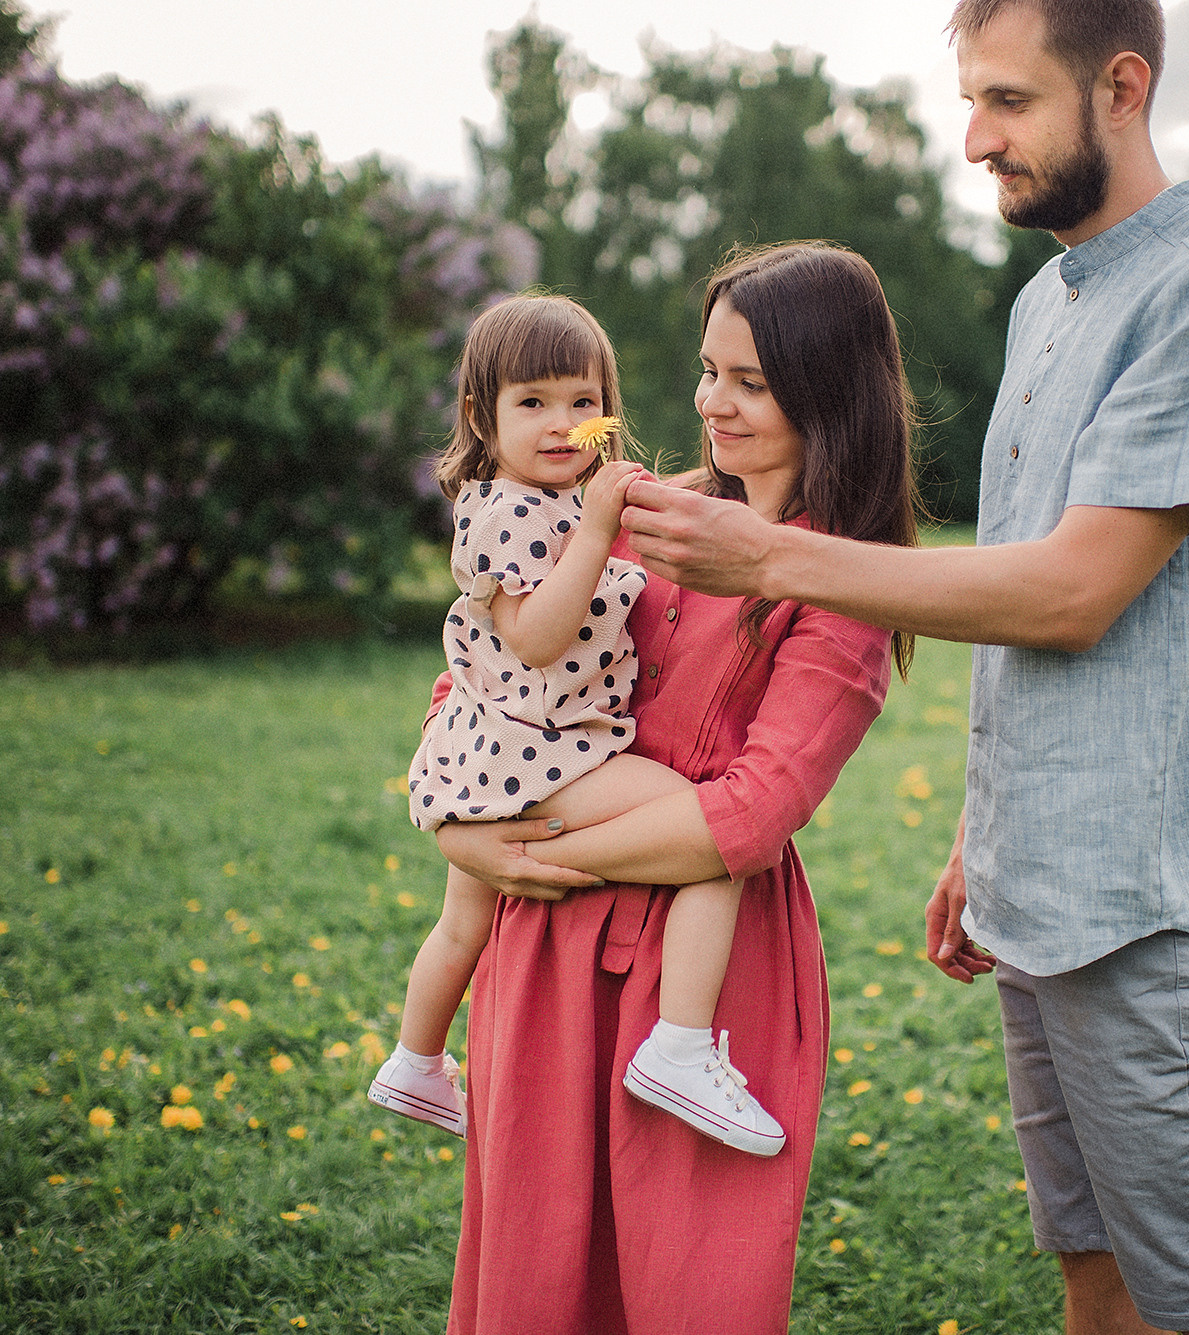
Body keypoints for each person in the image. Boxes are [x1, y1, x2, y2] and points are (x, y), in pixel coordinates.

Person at [618, 1, 1189, 1331]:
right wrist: (981, 833)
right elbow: (1014, 585)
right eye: (970, 103)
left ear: (1122, 86)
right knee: (1094, 1271)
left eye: (1008, 101)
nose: (977, 139)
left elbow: (1072, 591)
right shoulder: (1051, 298)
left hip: (1143, 914)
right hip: (1036, 884)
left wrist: (765, 560)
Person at [429, 242, 919, 1333]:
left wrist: (528, 840)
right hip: (546, 950)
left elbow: (751, 810)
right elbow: (479, 672)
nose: (711, 403)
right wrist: (467, 836)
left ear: (828, 395)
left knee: (693, 1287)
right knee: (537, 1275)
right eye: (708, 371)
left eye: (750, 382)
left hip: (705, 978)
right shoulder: (639, 511)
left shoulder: (844, 581)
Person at [369, 294, 785, 1157]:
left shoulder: (554, 497)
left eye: (583, 402)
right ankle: (681, 1045)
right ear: (482, 417)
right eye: (533, 403)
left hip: (506, 745)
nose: (563, 425)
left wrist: (610, 507)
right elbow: (534, 635)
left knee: (461, 925)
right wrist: (599, 526)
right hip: (547, 748)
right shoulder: (510, 512)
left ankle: (415, 1060)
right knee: (712, 833)